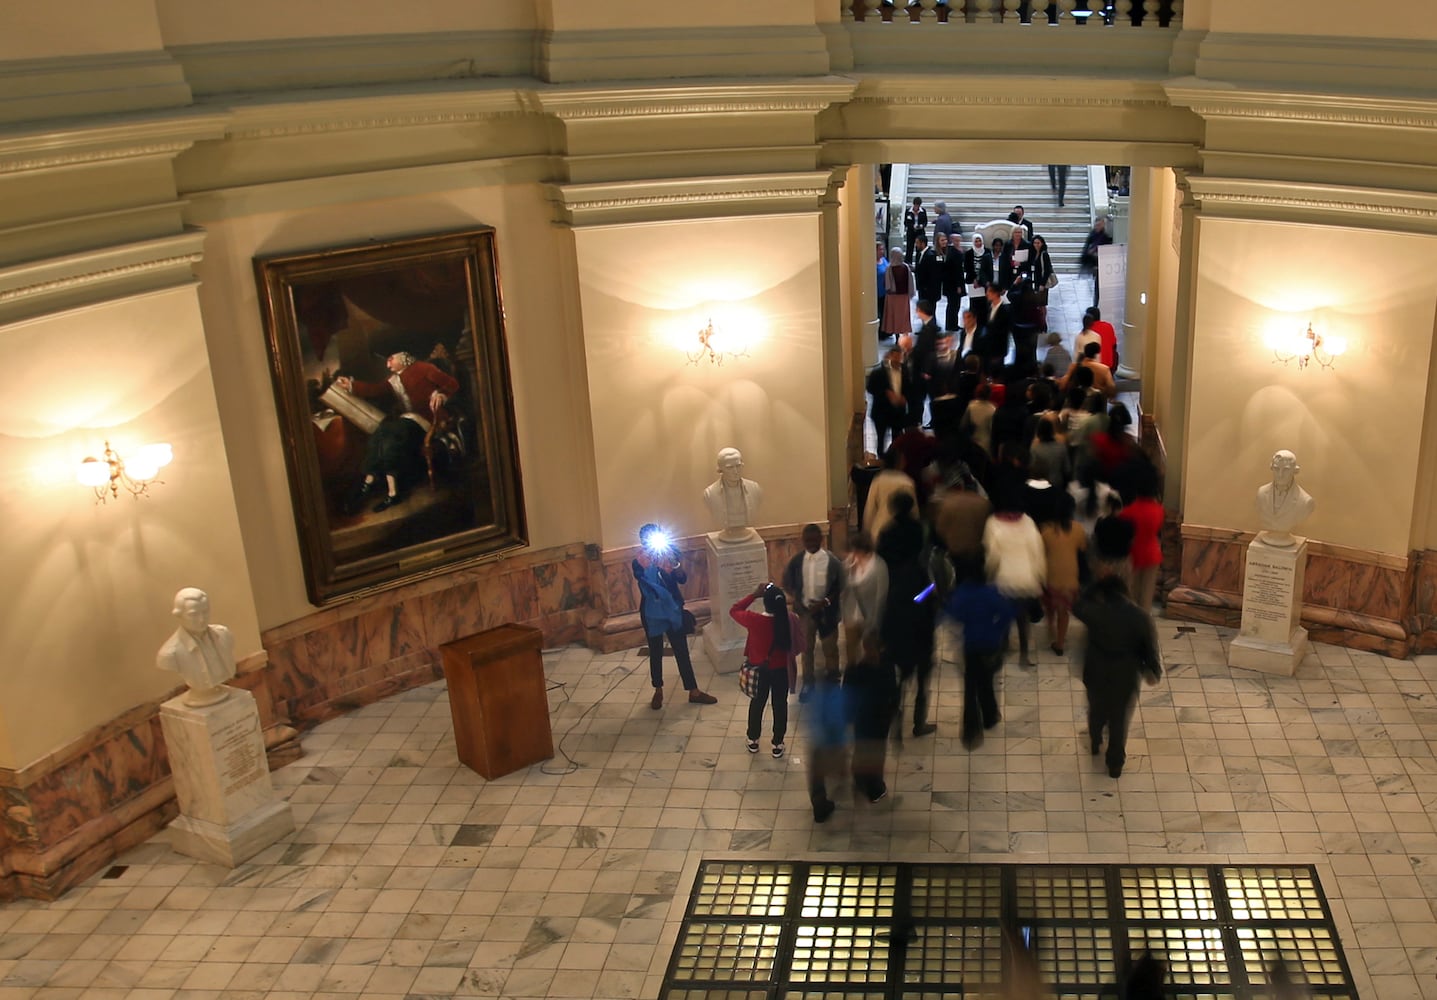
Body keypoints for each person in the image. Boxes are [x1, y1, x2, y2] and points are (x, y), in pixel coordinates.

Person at [337, 350, 460, 512]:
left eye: (390, 359)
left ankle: (392, 492)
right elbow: (375, 389)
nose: (387, 364)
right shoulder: (393, 379)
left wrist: (441, 394)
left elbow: (452, 384)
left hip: (428, 419)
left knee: (393, 434)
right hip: (407, 420)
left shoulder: (424, 368)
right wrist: (351, 385)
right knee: (380, 434)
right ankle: (369, 483)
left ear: (404, 358)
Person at [1073, 572, 1162, 778]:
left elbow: (1076, 606)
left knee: (1096, 708)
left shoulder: (1096, 612)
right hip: (1125, 674)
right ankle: (1114, 763)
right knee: (1119, 718)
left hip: (1096, 671)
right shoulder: (1139, 616)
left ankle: (1095, 739)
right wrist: (1153, 670)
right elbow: (1149, 647)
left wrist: (1093, 587)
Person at [633, 524, 716, 710]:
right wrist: (652, 567)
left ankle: (693, 691)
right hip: (652, 612)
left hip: (673, 610)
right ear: (643, 542)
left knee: (681, 650)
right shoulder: (638, 561)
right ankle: (658, 690)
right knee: (655, 651)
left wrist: (672, 564)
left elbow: (682, 579)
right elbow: (647, 584)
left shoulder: (671, 551)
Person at [877, 492, 937, 736]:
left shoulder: (886, 533)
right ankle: (919, 722)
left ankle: (894, 715)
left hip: (894, 609)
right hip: (919, 615)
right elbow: (929, 589)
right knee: (923, 674)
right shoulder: (919, 531)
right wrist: (930, 593)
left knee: (896, 671)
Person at [943, 558, 1014, 749]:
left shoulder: (962, 593)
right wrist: (997, 630)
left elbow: (953, 613)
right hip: (990, 644)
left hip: (971, 645)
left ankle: (971, 728)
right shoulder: (990, 593)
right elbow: (1007, 613)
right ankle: (990, 716)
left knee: (970, 685)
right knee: (987, 680)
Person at [731, 583, 799, 757]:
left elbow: (734, 610)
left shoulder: (754, 620)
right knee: (780, 705)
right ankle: (777, 743)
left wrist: (753, 595)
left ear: (765, 603)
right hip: (781, 670)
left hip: (759, 670)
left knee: (757, 703)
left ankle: (753, 739)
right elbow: (798, 646)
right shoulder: (791, 619)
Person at [781, 523, 843, 701]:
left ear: (821, 540)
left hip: (827, 612)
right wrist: (797, 598)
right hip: (805, 613)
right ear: (803, 541)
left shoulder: (832, 561)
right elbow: (786, 581)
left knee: (830, 648)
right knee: (806, 649)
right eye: (808, 540)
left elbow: (840, 586)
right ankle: (809, 683)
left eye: (815, 540)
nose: (811, 544)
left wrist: (825, 601)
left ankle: (832, 681)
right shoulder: (797, 561)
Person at [984, 496, 1046, 668]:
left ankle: (1003, 649)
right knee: (1022, 618)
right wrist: (1040, 576)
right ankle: (1024, 656)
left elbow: (993, 556)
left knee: (1003, 616)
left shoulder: (993, 523)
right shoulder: (1027, 521)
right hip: (1026, 578)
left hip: (1003, 578)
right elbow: (1037, 551)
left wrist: (989, 576)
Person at [156, 588, 236, 706]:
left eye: (205, 612)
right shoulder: (170, 653)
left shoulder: (224, 634)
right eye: (193, 614)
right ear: (179, 615)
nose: (201, 619)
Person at [845, 634, 898, 802]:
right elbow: (892, 692)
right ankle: (875, 788)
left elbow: (847, 694)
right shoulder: (886, 666)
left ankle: (859, 780)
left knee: (861, 748)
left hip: (862, 718)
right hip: (880, 718)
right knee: (876, 752)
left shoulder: (855, 669)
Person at [1041, 494, 1087, 654]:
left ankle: (1050, 626)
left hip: (1050, 576)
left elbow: (1042, 553)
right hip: (1070, 577)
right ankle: (1060, 643)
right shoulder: (1078, 529)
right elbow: (1082, 550)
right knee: (1064, 611)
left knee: (1049, 604)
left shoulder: (1046, 531)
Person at [840, 530, 888, 672]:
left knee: (871, 655)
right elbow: (843, 589)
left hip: (870, 618)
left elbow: (881, 597)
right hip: (851, 617)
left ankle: (872, 684)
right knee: (851, 655)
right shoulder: (848, 565)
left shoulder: (878, 566)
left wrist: (874, 622)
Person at [1120, 471, 1165, 611]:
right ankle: (1144, 626)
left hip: (1132, 555)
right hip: (1152, 553)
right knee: (1146, 597)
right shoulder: (1158, 510)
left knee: (1131, 594)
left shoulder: (1127, 511)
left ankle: (1131, 626)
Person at [1256, 449, 1315, 546]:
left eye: (1286, 470)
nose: (1280, 474)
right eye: (1276, 469)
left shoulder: (1305, 502)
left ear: (1295, 471)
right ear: (1271, 468)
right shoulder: (1261, 493)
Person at [702, 447, 763, 542]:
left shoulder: (755, 489)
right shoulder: (710, 494)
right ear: (720, 469)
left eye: (738, 466)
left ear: (742, 465)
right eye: (730, 467)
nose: (735, 471)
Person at [864, 446, 917, 541]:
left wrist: (867, 533)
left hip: (879, 531)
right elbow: (914, 512)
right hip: (903, 535)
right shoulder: (907, 482)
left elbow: (870, 509)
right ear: (900, 462)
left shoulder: (878, 480)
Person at [867, 346, 911, 454]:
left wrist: (905, 397)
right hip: (881, 412)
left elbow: (911, 388)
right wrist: (886, 394)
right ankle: (881, 461)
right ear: (890, 356)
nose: (897, 360)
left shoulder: (906, 371)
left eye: (899, 357)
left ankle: (894, 460)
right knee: (881, 440)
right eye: (894, 357)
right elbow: (870, 388)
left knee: (897, 440)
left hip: (898, 413)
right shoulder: (878, 372)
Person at [880, 246, 914, 341]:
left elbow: (887, 284)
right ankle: (903, 334)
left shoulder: (889, 268)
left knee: (894, 317)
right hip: (903, 297)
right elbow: (910, 283)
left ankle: (897, 335)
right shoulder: (905, 267)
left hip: (893, 297)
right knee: (903, 316)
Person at [939, 231, 967, 332]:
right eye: (955, 240)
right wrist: (958, 285)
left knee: (956, 304)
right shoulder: (952, 252)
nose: (958, 242)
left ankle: (953, 323)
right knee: (953, 305)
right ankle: (951, 324)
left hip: (956, 281)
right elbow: (955, 270)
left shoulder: (957, 251)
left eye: (959, 240)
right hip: (953, 283)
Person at [914, 232, 941, 306]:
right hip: (922, 289)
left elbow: (933, 274)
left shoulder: (930, 255)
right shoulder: (919, 254)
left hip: (929, 291)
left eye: (917, 243)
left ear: (922, 243)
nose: (916, 245)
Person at [903, 196, 927, 264]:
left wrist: (921, 226)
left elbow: (925, 222)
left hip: (920, 233)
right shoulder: (908, 211)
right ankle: (908, 263)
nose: (917, 207)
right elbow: (906, 222)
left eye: (918, 205)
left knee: (919, 249)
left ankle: (918, 263)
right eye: (916, 205)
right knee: (909, 248)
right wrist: (912, 226)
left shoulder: (923, 211)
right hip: (911, 232)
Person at [875, 240, 889, 322]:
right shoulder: (872, 262)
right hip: (877, 292)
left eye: (883, 249)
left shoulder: (884, 260)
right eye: (880, 249)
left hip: (886, 291)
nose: (882, 251)